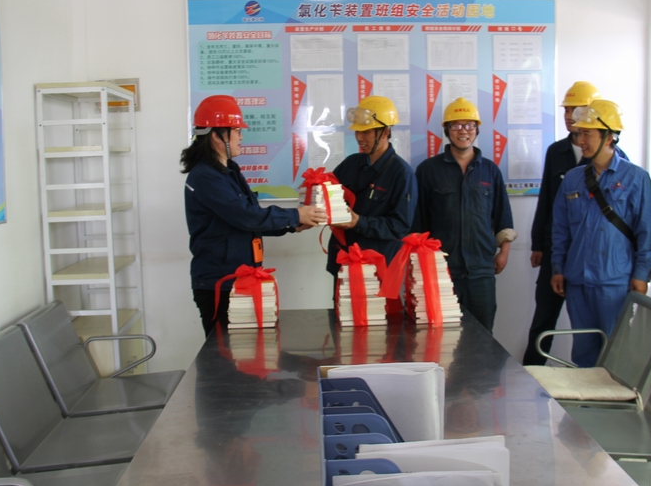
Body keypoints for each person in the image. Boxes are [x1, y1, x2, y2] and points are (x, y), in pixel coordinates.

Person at [182, 95, 326, 336]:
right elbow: (246, 217)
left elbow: (249, 219)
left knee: (247, 350)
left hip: (241, 277)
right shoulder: (206, 177)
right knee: (225, 352)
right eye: (237, 130)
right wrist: (294, 216)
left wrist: (292, 225)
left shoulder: (229, 170)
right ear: (217, 135)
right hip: (220, 282)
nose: (241, 136)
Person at [551, 100, 651, 367]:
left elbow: (648, 231)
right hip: (578, 281)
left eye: (587, 134)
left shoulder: (636, 178)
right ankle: (585, 395)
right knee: (583, 354)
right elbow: (561, 228)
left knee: (616, 354)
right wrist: (558, 267)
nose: (581, 141)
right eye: (579, 134)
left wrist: (641, 274)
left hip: (615, 282)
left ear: (609, 137)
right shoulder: (573, 178)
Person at [413, 97, 515, 332]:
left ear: (477, 129)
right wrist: (419, 261)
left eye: (469, 125)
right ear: (447, 130)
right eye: (456, 125)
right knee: (441, 335)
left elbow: (503, 214)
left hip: (481, 269)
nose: (463, 131)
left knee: (483, 333)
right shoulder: (428, 170)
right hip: (441, 269)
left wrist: (504, 251)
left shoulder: (489, 170)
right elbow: (418, 220)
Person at [523, 81, 600, 365]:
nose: (569, 116)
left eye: (575, 110)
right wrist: (538, 244)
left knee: (591, 323)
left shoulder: (609, 154)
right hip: (555, 250)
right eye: (566, 110)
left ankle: (594, 377)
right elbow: (546, 199)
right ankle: (531, 372)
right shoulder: (557, 151)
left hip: (590, 255)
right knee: (543, 318)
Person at [326, 96, 417, 282]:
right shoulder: (351, 164)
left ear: (384, 132)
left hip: (376, 268)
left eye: (366, 132)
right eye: (357, 131)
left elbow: (400, 226)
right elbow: (329, 197)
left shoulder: (402, 173)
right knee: (340, 302)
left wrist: (359, 222)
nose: (359, 137)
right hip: (344, 260)